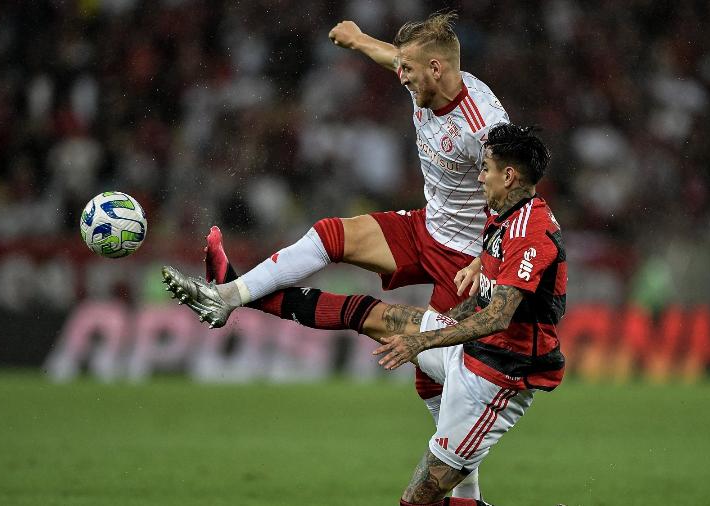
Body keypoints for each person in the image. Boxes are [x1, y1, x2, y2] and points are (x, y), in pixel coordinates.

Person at [164, 123, 566, 505]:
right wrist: (441, 317)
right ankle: (234, 293)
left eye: (486, 170)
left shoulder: (531, 234)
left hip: (499, 378)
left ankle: (232, 295)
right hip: (472, 351)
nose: (479, 178)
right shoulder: (502, 215)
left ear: (509, 176)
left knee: (418, 498)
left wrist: (421, 339)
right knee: (370, 315)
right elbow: (484, 300)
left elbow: (498, 315)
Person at [201, 11, 510, 499]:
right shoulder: (422, 79)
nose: (400, 75)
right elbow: (392, 56)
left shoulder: (485, 125)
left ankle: (465, 496)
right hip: (426, 228)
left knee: (439, 384)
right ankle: (230, 293)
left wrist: (486, 257)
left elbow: (515, 195)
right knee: (331, 235)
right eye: (401, 67)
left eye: (409, 68)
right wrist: (359, 39)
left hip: (468, 260)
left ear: (437, 68)